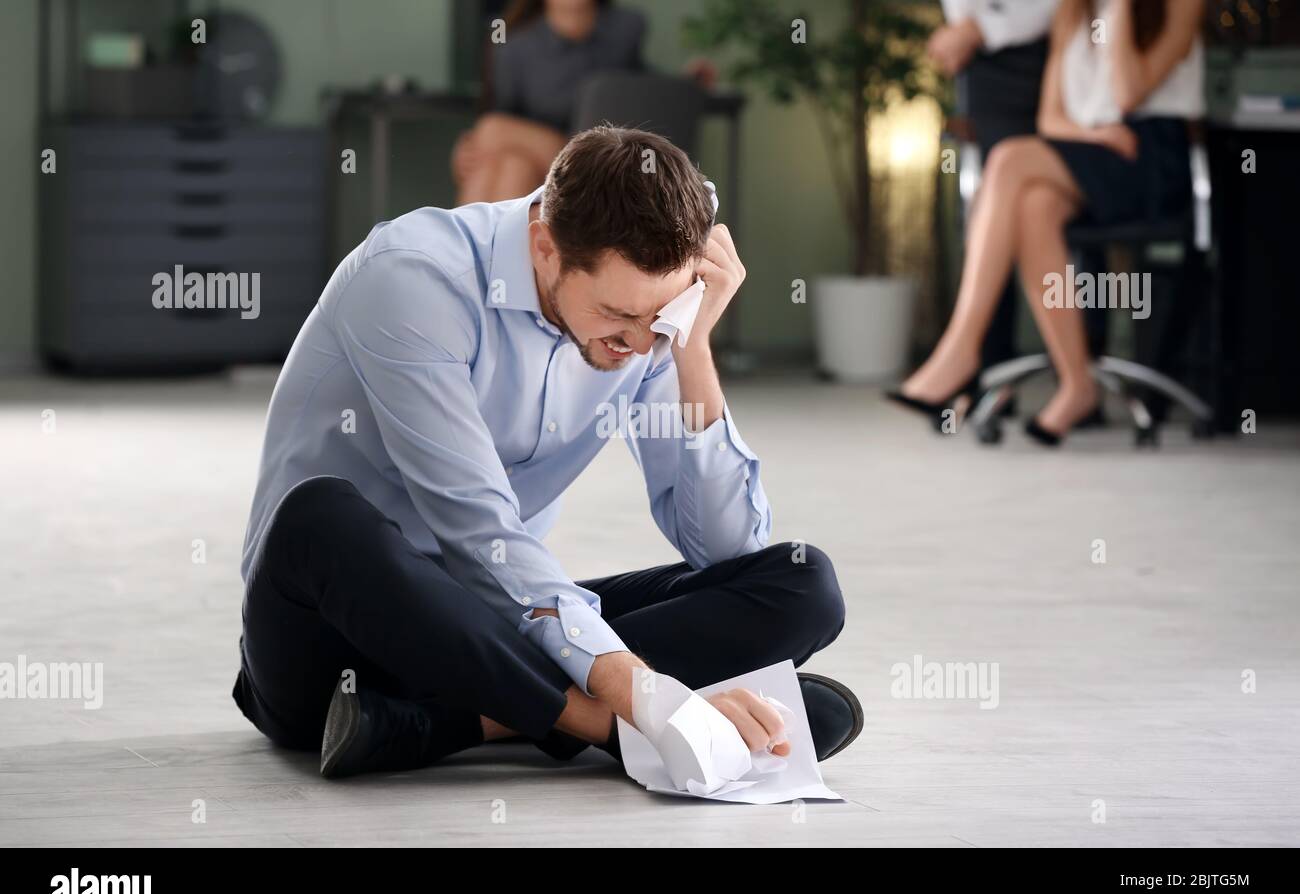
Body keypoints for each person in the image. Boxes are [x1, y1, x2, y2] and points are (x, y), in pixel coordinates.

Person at [232, 127, 862, 779]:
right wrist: (652, 705)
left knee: (800, 583)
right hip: (331, 646)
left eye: (662, 317)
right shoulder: (414, 280)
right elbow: (480, 535)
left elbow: (727, 551)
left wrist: (693, 347)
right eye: (619, 317)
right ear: (545, 248)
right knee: (321, 514)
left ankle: (457, 724)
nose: (641, 345)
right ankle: (607, 729)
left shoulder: (650, 326)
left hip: (496, 629)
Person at [890, 0, 1204, 444]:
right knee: (1033, 205)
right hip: (1094, 143)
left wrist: (1118, 8)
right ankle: (1077, 384)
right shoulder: (1071, 11)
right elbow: (1050, 119)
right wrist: (1092, 135)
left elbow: (1130, 91)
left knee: (1007, 159)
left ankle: (961, 348)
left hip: (1149, 152)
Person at [932, 0, 1060, 386]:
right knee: (991, 217)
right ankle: (988, 371)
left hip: (1049, 65)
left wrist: (976, 30)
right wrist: (962, 34)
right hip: (985, 74)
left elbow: (1058, 6)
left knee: (1049, 214)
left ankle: (1075, 375)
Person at [452, 0, 644, 205]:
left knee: (491, 130)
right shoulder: (517, 43)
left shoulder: (625, 29)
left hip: (592, 154)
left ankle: (458, 236)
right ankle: (482, 237)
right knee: (514, 166)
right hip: (540, 160)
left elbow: (640, 91)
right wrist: (469, 149)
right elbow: (505, 113)